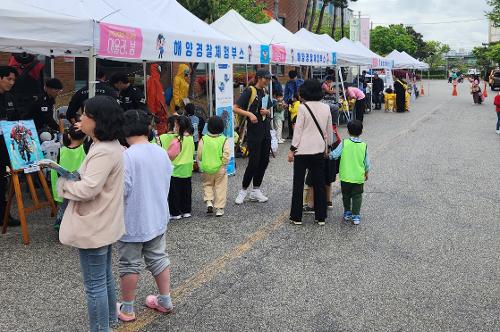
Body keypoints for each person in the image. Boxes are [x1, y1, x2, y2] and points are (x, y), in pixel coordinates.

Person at [57, 95, 125, 331]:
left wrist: (63, 185)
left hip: (94, 223)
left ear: (98, 120)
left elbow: (88, 188)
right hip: (102, 221)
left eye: (85, 114)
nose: (81, 118)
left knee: (94, 285)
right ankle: (109, 321)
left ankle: (101, 328)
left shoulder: (103, 150)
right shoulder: (106, 145)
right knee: (103, 277)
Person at [116, 109, 173, 323]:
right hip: (157, 216)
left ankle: (128, 309)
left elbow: (122, 189)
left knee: (129, 264)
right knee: (158, 257)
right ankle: (165, 300)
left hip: (132, 219)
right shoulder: (160, 152)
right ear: (148, 128)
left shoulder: (127, 156)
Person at [288, 79, 333, 226]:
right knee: (319, 183)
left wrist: (292, 149)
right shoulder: (326, 108)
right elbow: (329, 131)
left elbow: (298, 131)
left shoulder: (302, 108)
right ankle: (320, 217)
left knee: (298, 183)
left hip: (302, 151)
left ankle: (296, 217)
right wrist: (328, 147)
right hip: (319, 149)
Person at [233, 68, 273, 205]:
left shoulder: (265, 91)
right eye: (266, 78)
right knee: (254, 162)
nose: (268, 81)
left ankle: (256, 190)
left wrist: (267, 112)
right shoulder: (250, 90)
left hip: (265, 130)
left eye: (269, 79)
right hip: (254, 131)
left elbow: (266, 109)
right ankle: (243, 190)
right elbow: (235, 107)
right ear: (259, 77)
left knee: (264, 161)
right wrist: (250, 114)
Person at [330, 120, 371, 225]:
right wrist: (366, 172)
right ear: (361, 132)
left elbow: (334, 155)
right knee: (357, 196)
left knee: (346, 195)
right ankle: (356, 215)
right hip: (358, 177)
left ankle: (347, 212)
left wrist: (327, 154)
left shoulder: (344, 143)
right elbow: (366, 162)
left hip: (345, 176)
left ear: (348, 131)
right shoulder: (363, 145)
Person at [51, 124, 87, 231]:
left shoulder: (61, 151)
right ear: (85, 137)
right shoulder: (85, 149)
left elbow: (56, 171)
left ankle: (61, 223)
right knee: (78, 209)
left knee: (65, 207)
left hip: (64, 186)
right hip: (80, 187)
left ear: (69, 136)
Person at [0, 66, 21, 227]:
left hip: (6, 144)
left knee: (4, 181)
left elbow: (15, 119)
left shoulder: (9, 97)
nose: (12, 82)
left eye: (14, 80)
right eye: (9, 79)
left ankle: (3, 215)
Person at [198, 116, 231, 217]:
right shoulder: (224, 139)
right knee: (220, 187)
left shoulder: (203, 139)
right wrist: (224, 163)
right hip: (220, 168)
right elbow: (227, 153)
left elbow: (199, 154)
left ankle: (209, 201)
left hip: (207, 167)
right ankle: (219, 208)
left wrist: (202, 162)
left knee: (207, 184)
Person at [167, 115, 194, 220]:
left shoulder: (177, 140)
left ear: (178, 127)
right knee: (186, 191)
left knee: (175, 193)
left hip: (176, 170)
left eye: (175, 126)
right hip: (187, 169)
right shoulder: (190, 138)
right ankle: (186, 210)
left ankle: (175, 213)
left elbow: (171, 155)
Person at [284, 70, 303, 139]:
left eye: (293, 78)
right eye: (291, 79)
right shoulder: (288, 83)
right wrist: (285, 102)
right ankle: (291, 134)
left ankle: (299, 133)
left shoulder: (301, 82)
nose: (292, 80)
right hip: (291, 101)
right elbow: (286, 93)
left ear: (296, 77)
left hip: (300, 101)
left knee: (300, 117)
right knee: (290, 118)